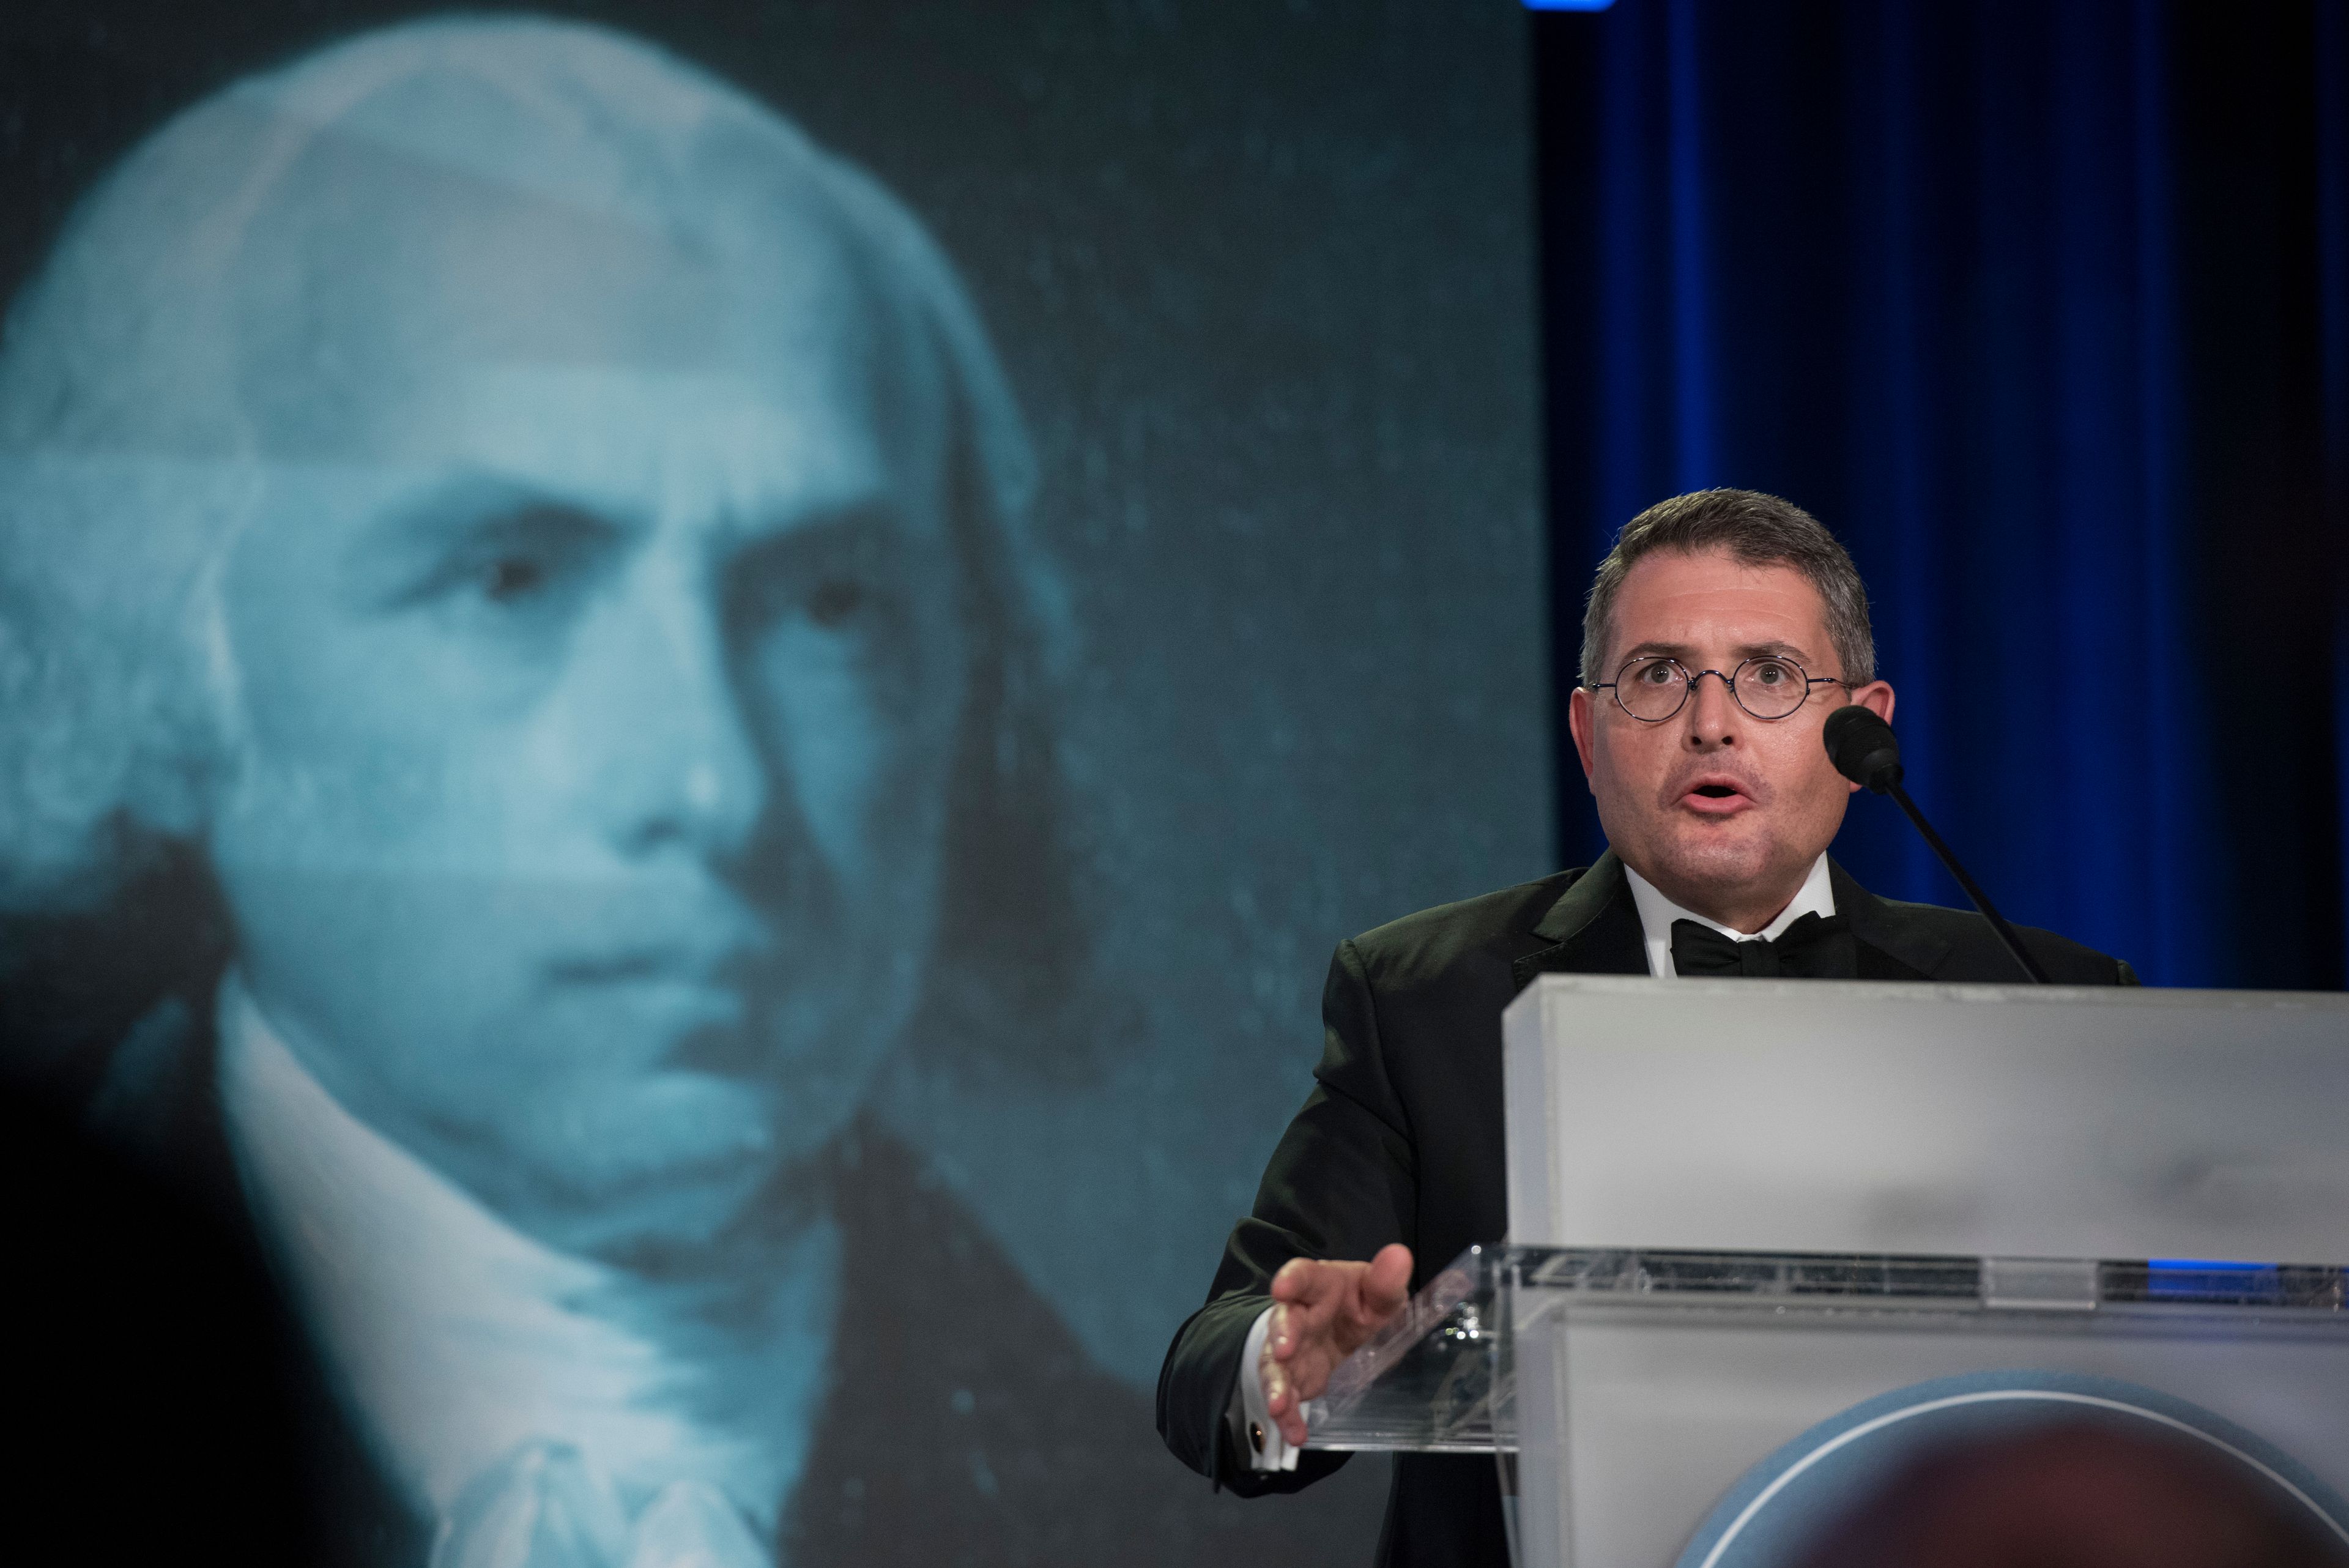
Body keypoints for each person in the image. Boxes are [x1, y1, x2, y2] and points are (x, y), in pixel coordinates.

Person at [0, 16, 1278, 1567]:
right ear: (169, 646)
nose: (715, 785)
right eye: (511, 574)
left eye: (830, 605)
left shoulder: (1174, 1527)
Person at [1156, 488, 2139, 1567]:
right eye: (1660, 675)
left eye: (1769, 675)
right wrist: (1293, 1357)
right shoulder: (1423, 999)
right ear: (1588, 733)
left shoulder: (2041, 1002)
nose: (1711, 722)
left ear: (1862, 730)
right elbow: (1216, 1351)